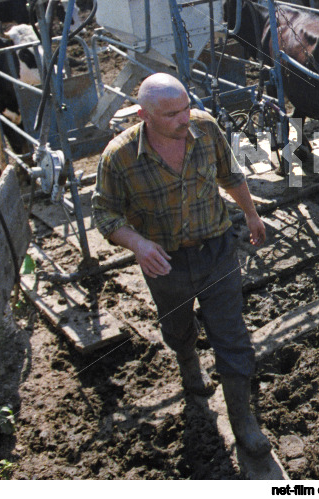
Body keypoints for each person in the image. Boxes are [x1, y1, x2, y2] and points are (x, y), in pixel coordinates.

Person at [91, 72, 271, 457]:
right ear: (144, 115)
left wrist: (252, 214)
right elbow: (104, 214)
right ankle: (190, 368)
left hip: (216, 250)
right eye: (172, 114)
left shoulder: (206, 130)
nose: (184, 118)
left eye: (187, 107)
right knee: (177, 328)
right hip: (165, 263)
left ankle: (243, 420)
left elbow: (230, 174)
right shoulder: (119, 157)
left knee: (232, 335)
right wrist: (138, 244)